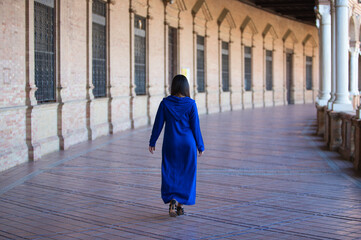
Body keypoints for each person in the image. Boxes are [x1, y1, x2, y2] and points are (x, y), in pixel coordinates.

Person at [149, 74, 205, 217]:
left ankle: (173, 200)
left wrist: (152, 141)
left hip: (171, 143)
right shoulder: (191, 104)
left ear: (173, 86)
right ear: (186, 87)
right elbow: (195, 127)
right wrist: (200, 145)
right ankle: (180, 205)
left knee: (170, 171)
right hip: (188, 144)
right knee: (187, 173)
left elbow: (158, 124)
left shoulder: (165, 103)